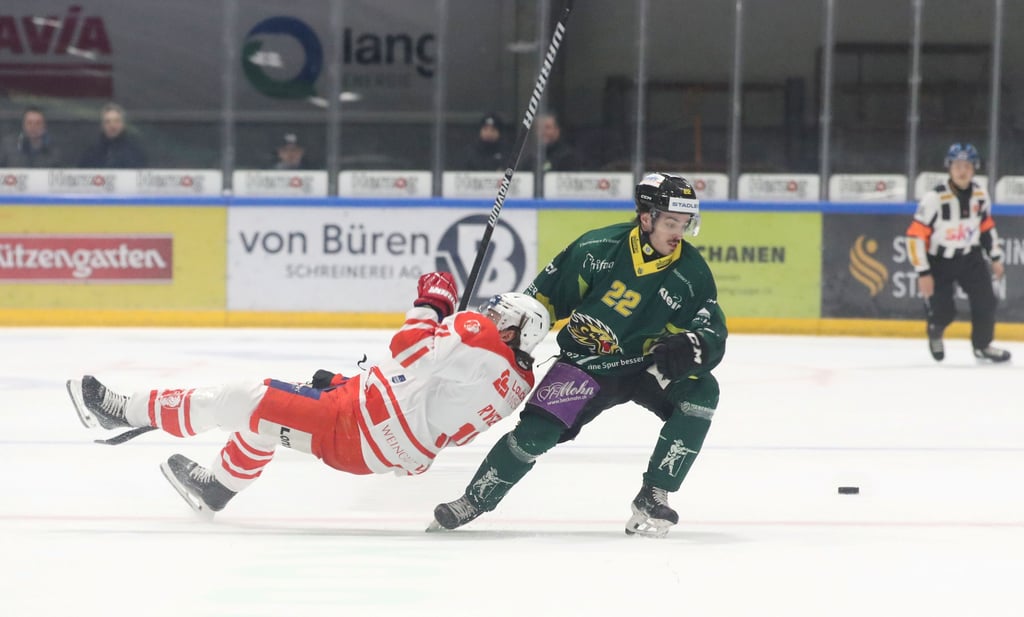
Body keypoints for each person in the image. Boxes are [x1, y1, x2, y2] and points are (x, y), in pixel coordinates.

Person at [65, 272, 550, 517]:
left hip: (356, 424)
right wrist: (348, 386)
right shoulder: (517, 382)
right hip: (381, 450)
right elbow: (428, 391)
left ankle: (121, 411)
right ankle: (217, 487)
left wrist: (434, 302)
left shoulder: (479, 336)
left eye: (501, 316)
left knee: (239, 399)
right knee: (266, 421)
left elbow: (407, 346)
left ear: (517, 331)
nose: (490, 315)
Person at [430, 173, 728, 538]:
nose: (678, 233)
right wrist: (494, 346)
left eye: (684, 224)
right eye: (670, 223)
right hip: (587, 365)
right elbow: (537, 306)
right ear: (646, 217)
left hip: (645, 367)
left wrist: (695, 347)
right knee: (534, 435)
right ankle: (473, 500)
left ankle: (654, 492)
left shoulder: (692, 273)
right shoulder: (596, 249)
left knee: (702, 391)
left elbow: (712, 330)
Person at [907, 143, 1010, 363]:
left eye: (967, 166)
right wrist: (923, 272)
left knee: (986, 300)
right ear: (949, 168)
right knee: (944, 311)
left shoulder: (981, 196)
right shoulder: (934, 199)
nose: (962, 171)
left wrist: (995, 257)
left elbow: (986, 228)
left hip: (969, 258)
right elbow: (915, 236)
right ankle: (936, 329)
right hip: (939, 261)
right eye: (957, 166)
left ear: (974, 169)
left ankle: (982, 345)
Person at [78, 102, 147, 168]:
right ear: (102, 126)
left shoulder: (135, 154)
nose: (112, 126)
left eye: (116, 121)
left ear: (123, 124)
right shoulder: (91, 154)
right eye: (107, 122)